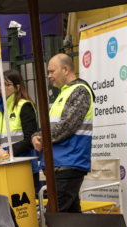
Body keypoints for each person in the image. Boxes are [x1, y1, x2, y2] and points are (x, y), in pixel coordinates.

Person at [31, 54, 95, 213]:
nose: (49, 76)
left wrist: (41, 137)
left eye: (52, 71)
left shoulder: (79, 90)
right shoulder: (64, 93)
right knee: (71, 221)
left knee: (54, 217)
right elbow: (52, 126)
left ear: (65, 69)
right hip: (62, 164)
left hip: (68, 164)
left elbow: (67, 126)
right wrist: (36, 136)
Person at [0, 69, 40, 194]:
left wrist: (7, 152)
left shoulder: (25, 106)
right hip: (4, 164)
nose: (2, 88)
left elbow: (30, 140)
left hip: (23, 166)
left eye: (6, 84)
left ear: (17, 87)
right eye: (0, 84)